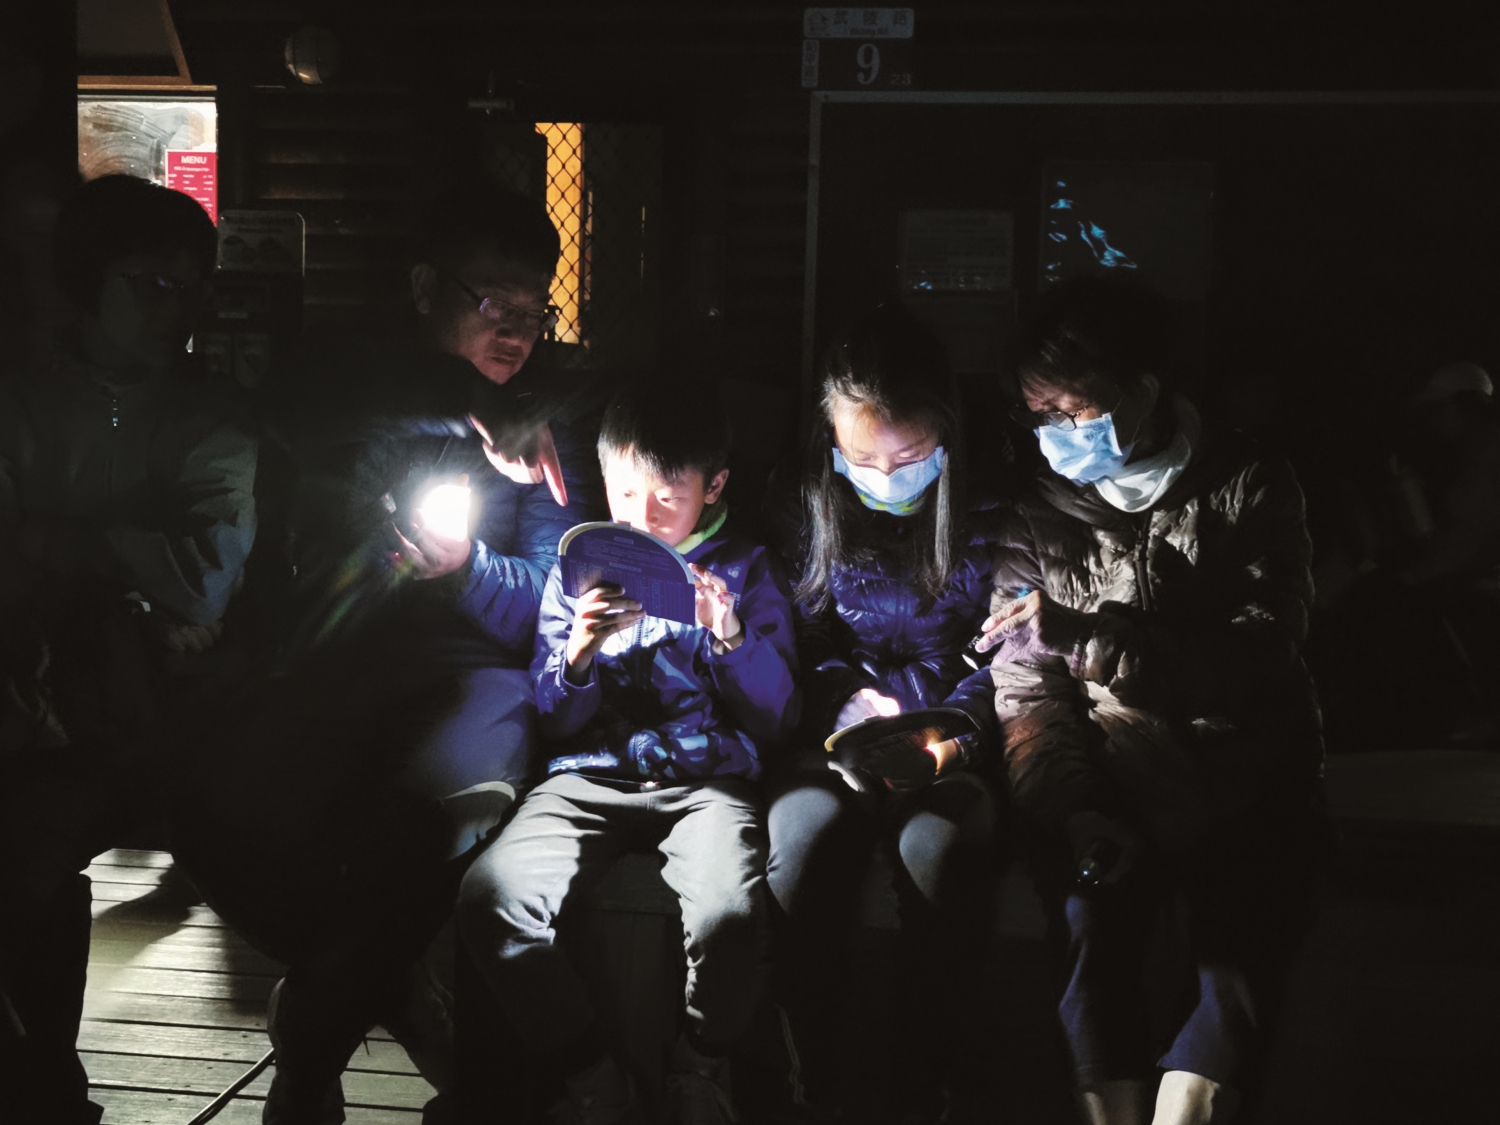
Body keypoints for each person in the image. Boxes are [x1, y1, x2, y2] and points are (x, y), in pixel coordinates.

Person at [168, 183, 603, 1124]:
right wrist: (458, 408)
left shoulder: (545, 424)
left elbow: (549, 596)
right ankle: (380, 989)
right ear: (422, 286)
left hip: (473, 672)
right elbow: (301, 412)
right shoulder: (352, 379)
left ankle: (311, 1052)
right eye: (495, 303)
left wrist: (464, 568)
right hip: (339, 660)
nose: (518, 331)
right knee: (210, 800)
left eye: (535, 310)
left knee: (416, 834)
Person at [977, 277, 1326, 1125]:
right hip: (1115, 776)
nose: (1057, 433)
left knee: (1236, 954)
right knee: (1088, 921)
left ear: (1142, 388)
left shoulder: (1246, 482)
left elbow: (1259, 653)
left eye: (1073, 409)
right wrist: (1074, 807)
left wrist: (1094, 636)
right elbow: (1029, 695)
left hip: (1247, 778)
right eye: (1039, 414)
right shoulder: (1040, 514)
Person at [458, 376, 800, 1125]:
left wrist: (730, 634)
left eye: (666, 499)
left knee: (731, 922)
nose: (642, 520)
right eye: (624, 497)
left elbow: (778, 718)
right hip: (589, 776)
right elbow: (553, 717)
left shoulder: (745, 569)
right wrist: (578, 653)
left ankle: (702, 1064)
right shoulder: (578, 566)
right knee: (491, 898)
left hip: (708, 779)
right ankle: (589, 1075)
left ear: (714, 486)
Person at [0, 173, 256, 1124]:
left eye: (192, 284)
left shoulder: (212, 412)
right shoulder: (22, 394)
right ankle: (44, 1084)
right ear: (87, 279)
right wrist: (125, 564)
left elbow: (204, 577)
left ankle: (45, 1090)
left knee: (28, 850)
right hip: (34, 697)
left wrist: (60, 541)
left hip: (153, 712)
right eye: (151, 282)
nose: (179, 306)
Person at [763, 306, 1001, 1125]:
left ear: (948, 432)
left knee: (938, 852)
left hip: (955, 738)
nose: (887, 476)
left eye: (909, 458)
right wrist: (846, 701)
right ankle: (813, 1079)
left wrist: (953, 728)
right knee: (801, 845)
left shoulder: (993, 503)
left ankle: (921, 1087)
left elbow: (1007, 651)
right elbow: (799, 634)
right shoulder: (803, 502)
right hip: (836, 735)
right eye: (862, 459)